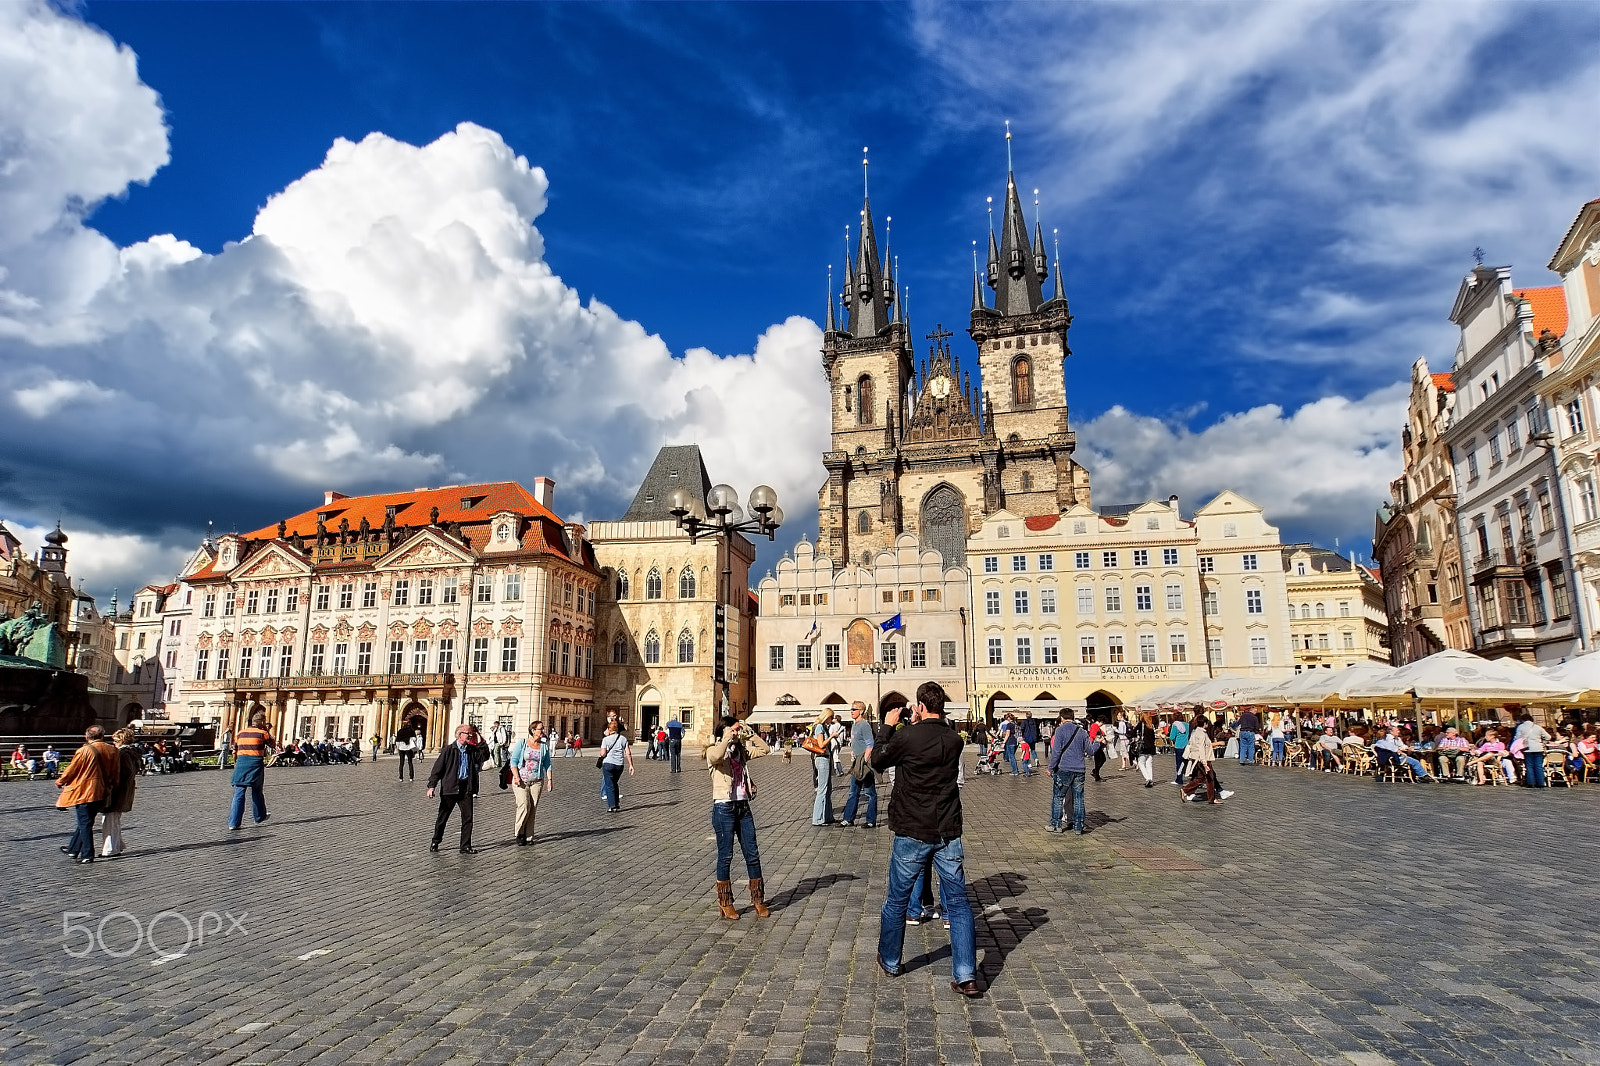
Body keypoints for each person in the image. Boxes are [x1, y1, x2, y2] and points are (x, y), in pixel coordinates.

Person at [870, 681, 982, 998]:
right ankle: (966, 975)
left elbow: (877, 760)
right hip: (947, 831)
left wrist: (888, 727)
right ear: (943, 705)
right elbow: (937, 734)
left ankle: (891, 960)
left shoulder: (907, 736)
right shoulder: (953, 739)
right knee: (958, 905)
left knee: (897, 901)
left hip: (912, 830)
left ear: (919, 706)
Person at [707, 714, 771, 919]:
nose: (736, 733)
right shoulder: (714, 750)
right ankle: (725, 903)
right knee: (725, 856)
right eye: (733, 729)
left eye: (737, 730)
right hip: (724, 808)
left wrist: (749, 732)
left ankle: (758, 900)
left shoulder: (740, 752)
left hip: (743, 807)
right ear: (724, 730)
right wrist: (726, 737)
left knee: (752, 853)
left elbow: (765, 749)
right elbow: (716, 757)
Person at [57, 726, 121, 863]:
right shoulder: (113, 750)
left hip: (84, 791)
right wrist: (113, 788)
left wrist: (60, 781)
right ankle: (73, 850)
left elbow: (72, 770)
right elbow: (116, 773)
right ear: (103, 735)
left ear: (87, 737)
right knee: (86, 821)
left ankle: (87, 854)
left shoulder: (84, 751)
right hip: (102, 791)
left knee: (85, 823)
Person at [426, 723, 489, 852]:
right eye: (467, 733)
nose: (470, 735)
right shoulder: (448, 750)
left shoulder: (471, 750)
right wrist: (432, 786)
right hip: (450, 788)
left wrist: (481, 739)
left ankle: (465, 846)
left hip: (466, 788)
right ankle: (435, 841)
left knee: (468, 818)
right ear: (459, 735)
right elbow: (437, 769)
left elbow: (484, 756)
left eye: (470, 733)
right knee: (443, 817)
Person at [1047, 710, 1094, 834]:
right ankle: (1078, 826)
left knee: (1058, 796)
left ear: (1062, 718)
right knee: (1078, 798)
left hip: (1064, 769)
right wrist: (1099, 743)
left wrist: (1051, 768)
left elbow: (1056, 752)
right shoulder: (1082, 731)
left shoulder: (1060, 730)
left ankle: (1056, 824)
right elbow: (1090, 751)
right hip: (1079, 770)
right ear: (1073, 718)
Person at [228, 712, 277, 830]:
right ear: (261, 723)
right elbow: (273, 744)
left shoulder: (240, 733)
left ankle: (233, 823)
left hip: (241, 762)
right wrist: (267, 731)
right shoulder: (262, 733)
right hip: (254, 762)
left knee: (239, 792)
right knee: (256, 791)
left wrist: (236, 762)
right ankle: (259, 816)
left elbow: (234, 749)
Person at [508, 720, 554, 845]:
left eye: (543, 728)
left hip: (537, 781)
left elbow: (547, 764)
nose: (543, 731)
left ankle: (528, 836)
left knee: (532, 808)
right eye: (540, 729)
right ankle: (519, 832)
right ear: (533, 730)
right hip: (521, 780)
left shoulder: (543, 746)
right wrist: (516, 777)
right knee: (524, 805)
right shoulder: (523, 743)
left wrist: (550, 780)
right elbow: (513, 762)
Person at [99, 728, 140, 857]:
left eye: (116, 741)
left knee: (110, 819)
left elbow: (126, 772)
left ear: (122, 740)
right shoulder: (131, 751)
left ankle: (110, 849)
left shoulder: (123, 753)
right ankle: (117, 845)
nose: (114, 743)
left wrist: (111, 778)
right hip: (124, 790)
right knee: (114, 819)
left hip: (118, 791)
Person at [840, 702, 879, 828]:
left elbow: (870, 744)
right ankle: (848, 819)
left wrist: (864, 761)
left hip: (863, 764)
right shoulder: (855, 724)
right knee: (853, 791)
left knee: (870, 793)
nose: (851, 711)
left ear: (861, 711)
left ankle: (870, 821)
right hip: (856, 762)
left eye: (854, 709)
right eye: (851, 709)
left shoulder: (864, 725)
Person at [1180, 714, 1233, 805]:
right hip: (1203, 758)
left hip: (1197, 758)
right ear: (1204, 723)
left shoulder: (1195, 732)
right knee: (1210, 779)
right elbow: (1201, 748)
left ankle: (1186, 790)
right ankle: (1211, 798)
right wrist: (1204, 762)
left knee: (1200, 778)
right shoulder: (1202, 734)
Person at [806, 709, 837, 826]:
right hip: (822, 759)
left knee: (828, 789)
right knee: (822, 789)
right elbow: (821, 744)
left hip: (826, 758)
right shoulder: (819, 727)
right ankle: (817, 819)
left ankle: (828, 816)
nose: (832, 719)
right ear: (826, 716)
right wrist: (832, 736)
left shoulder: (823, 727)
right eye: (831, 717)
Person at [597, 719, 634, 812]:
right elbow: (628, 753)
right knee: (614, 783)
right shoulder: (623, 739)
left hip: (608, 764)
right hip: (619, 764)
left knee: (609, 785)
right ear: (617, 729)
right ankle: (617, 804)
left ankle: (612, 805)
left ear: (609, 730)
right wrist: (631, 765)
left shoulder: (605, 740)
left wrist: (601, 753)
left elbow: (603, 753)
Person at [1514, 714, 1552, 788]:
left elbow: (1517, 738)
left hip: (1527, 748)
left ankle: (1531, 783)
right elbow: (1548, 737)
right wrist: (1543, 743)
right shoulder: (1538, 727)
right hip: (1538, 748)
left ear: (1522, 720)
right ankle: (1540, 783)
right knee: (1538, 766)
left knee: (1529, 766)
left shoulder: (1520, 727)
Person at [1132, 712, 1158, 788]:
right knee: (1149, 764)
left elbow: (1133, 732)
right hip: (1151, 747)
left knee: (1141, 763)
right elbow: (1153, 738)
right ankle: (1151, 779)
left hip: (1144, 747)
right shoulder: (1151, 725)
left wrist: (1136, 737)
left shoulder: (1141, 724)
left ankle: (1148, 779)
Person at [1168, 714, 1191, 783]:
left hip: (1179, 746)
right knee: (1186, 762)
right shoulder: (1187, 724)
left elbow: (1171, 737)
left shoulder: (1175, 725)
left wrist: (1175, 740)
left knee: (1179, 763)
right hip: (1187, 746)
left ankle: (1179, 779)